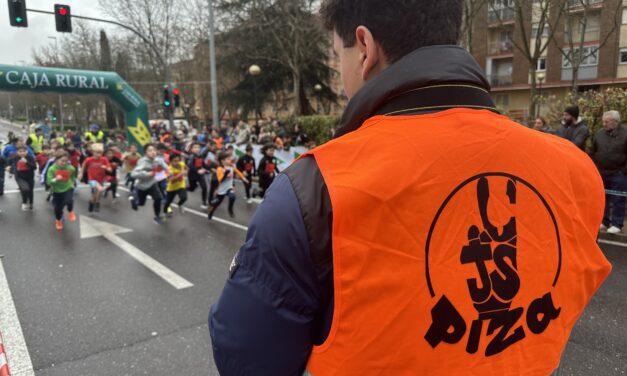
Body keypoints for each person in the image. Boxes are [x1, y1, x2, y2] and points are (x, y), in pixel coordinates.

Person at [208, 1, 612, 375]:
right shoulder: (575, 169)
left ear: (364, 47)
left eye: (338, 54)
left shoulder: (316, 186)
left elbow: (247, 357)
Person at [590, 111, 627, 234]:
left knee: (618, 199)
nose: (604, 124)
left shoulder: (625, 133)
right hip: (601, 171)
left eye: (607, 121)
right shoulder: (600, 134)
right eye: (603, 121)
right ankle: (604, 221)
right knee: (602, 198)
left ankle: (617, 223)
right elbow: (593, 151)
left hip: (619, 173)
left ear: (615, 122)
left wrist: (623, 171)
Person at [130, 144, 168, 225]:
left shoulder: (157, 159)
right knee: (141, 203)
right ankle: (133, 201)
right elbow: (133, 174)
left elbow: (162, 163)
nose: (153, 152)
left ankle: (157, 216)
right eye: (150, 151)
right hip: (142, 186)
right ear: (145, 153)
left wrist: (168, 169)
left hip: (152, 184)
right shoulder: (142, 162)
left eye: (154, 150)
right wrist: (147, 174)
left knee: (158, 198)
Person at [207, 152, 248, 220]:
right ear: (223, 161)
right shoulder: (219, 169)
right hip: (221, 189)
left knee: (232, 197)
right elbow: (220, 180)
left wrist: (243, 178)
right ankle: (211, 213)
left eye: (230, 159)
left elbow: (237, 172)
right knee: (217, 204)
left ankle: (230, 209)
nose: (230, 160)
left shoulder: (231, 167)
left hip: (229, 187)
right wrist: (225, 173)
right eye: (228, 159)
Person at [46, 150, 77, 231]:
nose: (64, 163)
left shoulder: (70, 168)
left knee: (69, 200)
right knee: (58, 208)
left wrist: (72, 182)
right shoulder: (52, 169)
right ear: (56, 160)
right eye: (62, 161)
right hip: (57, 191)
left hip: (68, 187)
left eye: (66, 161)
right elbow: (49, 182)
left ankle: (70, 211)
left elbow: (73, 175)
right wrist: (55, 179)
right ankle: (58, 220)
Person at [82, 143, 111, 213]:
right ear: (93, 152)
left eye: (100, 153)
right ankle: (97, 204)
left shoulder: (104, 159)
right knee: (100, 189)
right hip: (92, 179)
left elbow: (110, 169)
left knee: (95, 195)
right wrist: (81, 174)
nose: (99, 155)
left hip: (101, 179)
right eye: (97, 153)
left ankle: (92, 203)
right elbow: (83, 166)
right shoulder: (89, 160)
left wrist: (106, 168)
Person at [8, 146, 36, 211]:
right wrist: (9, 170)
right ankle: (24, 202)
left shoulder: (30, 157)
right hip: (20, 177)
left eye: (24, 151)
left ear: (26, 151)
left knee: (30, 191)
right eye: (20, 151)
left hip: (30, 177)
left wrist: (26, 162)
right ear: (17, 152)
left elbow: (34, 167)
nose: (22, 153)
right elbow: (10, 164)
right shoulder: (15, 158)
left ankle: (31, 203)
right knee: (25, 189)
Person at [186, 143, 210, 208]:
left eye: (198, 147)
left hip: (200, 175)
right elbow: (190, 166)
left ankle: (204, 202)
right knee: (191, 189)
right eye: (195, 147)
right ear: (191, 149)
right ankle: (182, 189)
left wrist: (210, 169)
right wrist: (197, 171)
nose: (197, 149)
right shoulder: (191, 156)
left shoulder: (201, 155)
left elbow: (203, 164)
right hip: (192, 175)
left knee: (204, 187)